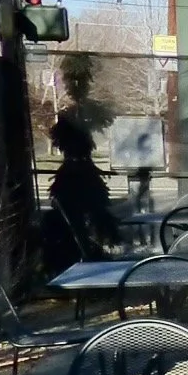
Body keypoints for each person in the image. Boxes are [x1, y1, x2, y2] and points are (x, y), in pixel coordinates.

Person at [43, 110, 120, 271]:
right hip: (81, 250)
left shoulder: (69, 175)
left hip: (75, 249)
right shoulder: (83, 173)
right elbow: (98, 211)